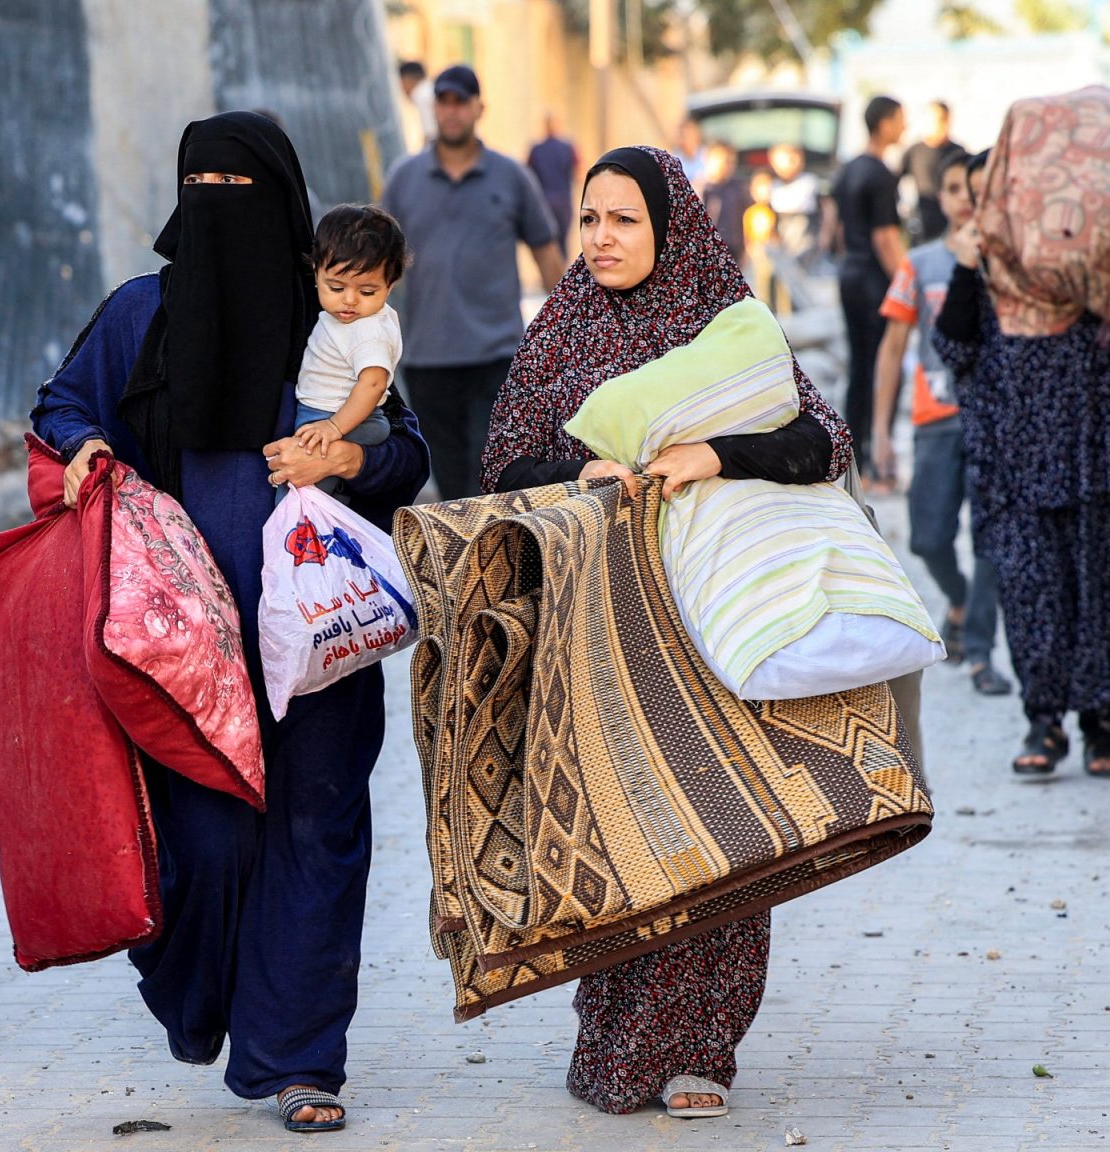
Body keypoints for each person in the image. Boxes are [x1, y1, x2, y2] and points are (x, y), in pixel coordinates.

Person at [30, 111, 429, 1134]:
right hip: (182, 655)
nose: (221, 212)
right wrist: (83, 447)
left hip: (320, 647)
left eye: (241, 193)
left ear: (288, 208)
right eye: (202, 188)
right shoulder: (142, 316)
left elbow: (406, 450)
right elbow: (64, 403)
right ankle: (200, 998)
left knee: (314, 836)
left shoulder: (339, 316)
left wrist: (345, 459)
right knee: (201, 849)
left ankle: (300, 1061)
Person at [480, 145, 854, 1119]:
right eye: (590, 218)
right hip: (602, 622)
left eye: (624, 220)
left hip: (724, 615)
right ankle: (618, 1035)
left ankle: (704, 1048)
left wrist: (711, 455)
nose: (600, 238)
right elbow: (507, 464)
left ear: (670, 226)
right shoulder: (561, 326)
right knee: (623, 827)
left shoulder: (728, 324)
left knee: (728, 828)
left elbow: (824, 442)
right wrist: (577, 480)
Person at [930, 150, 1110, 779]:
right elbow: (952, 345)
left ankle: (1101, 727)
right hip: (1017, 464)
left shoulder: (1091, 253)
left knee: (1105, 589)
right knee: (1034, 596)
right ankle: (1044, 721)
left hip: (1103, 459)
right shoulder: (981, 268)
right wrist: (963, 267)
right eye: (977, 199)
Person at [383, 63, 564, 500]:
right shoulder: (404, 178)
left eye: (460, 101)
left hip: (497, 356)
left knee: (492, 476)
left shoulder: (512, 176)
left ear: (479, 108)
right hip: (428, 357)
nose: (451, 111)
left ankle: (498, 565)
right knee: (449, 484)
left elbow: (546, 250)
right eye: (444, 101)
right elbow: (379, 262)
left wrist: (565, 333)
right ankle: (464, 568)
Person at [872, 149, 1012, 698]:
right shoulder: (921, 262)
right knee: (929, 536)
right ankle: (957, 600)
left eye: (973, 190)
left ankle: (980, 652)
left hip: (993, 419)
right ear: (943, 197)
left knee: (990, 540)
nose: (964, 200)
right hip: (934, 418)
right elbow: (892, 348)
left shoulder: (1007, 259)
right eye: (954, 189)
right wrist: (880, 430)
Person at [290, 203, 407, 496]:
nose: (350, 300)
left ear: (390, 285)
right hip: (330, 416)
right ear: (316, 272)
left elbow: (374, 382)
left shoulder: (368, 330)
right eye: (336, 288)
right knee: (323, 495)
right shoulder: (349, 320)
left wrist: (333, 427)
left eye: (367, 291)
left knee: (301, 495)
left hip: (347, 418)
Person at [822, 95, 907, 484]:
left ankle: (856, 459)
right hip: (874, 279)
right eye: (900, 119)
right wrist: (910, 282)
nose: (904, 126)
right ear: (885, 124)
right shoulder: (880, 174)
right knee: (884, 369)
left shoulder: (848, 169)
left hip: (849, 275)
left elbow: (836, 232)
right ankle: (877, 462)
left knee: (859, 368)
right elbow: (886, 238)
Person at [900, 100, 964, 244]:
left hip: (952, 226)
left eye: (942, 120)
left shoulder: (958, 153)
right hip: (923, 226)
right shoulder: (914, 151)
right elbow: (892, 183)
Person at [526, 110, 579, 256]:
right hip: (563, 201)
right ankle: (562, 276)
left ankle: (553, 276)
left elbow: (527, 174)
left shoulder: (536, 150)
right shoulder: (568, 148)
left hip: (544, 201)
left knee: (548, 242)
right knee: (562, 242)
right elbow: (579, 171)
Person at [766, 143, 820, 256]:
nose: (794, 164)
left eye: (797, 159)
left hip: (805, 242)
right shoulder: (770, 185)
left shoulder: (809, 182)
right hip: (778, 245)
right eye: (789, 160)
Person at [701, 140, 748, 266]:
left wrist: (746, 249)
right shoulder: (698, 190)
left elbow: (747, 220)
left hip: (733, 251)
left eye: (731, 161)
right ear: (708, 159)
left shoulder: (739, 189)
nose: (727, 165)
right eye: (723, 160)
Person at [397, 60, 435, 153]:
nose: (401, 89)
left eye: (401, 83)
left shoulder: (421, 95)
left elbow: (431, 135)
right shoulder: (429, 89)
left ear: (407, 80)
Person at [673, 117, 708, 190]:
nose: (680, 140)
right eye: (679, 136)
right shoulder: (673, 159)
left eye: (684, 136)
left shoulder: (708, 156)